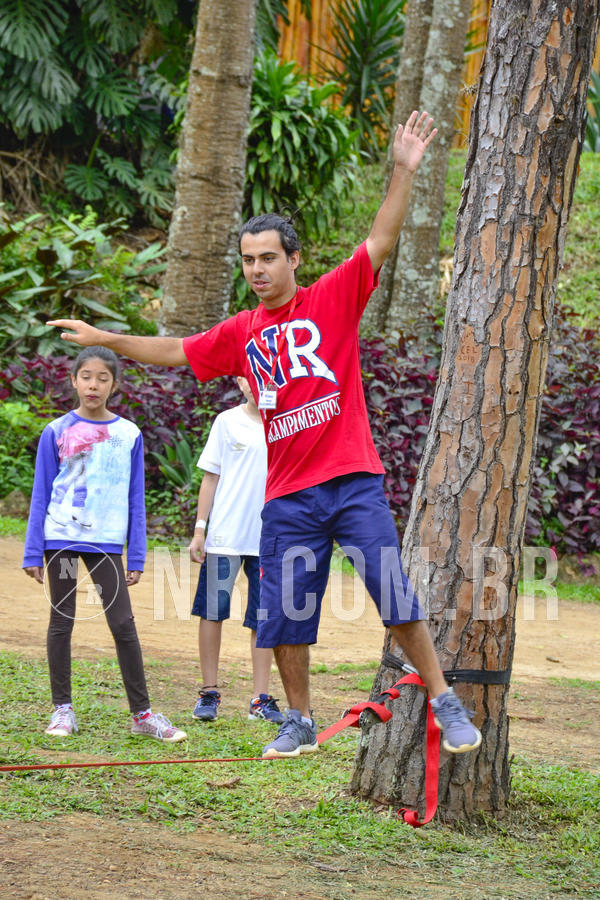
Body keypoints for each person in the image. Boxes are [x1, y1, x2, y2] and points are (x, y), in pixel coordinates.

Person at [48, 110, 482, 759]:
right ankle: (299, 720)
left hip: (352, 481)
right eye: (249, 260)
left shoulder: (332, 297)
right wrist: (105, 338)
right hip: (287, 497)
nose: (257, 269)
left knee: (394, 595)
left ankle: (445, 698)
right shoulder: (240, 332)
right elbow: (175, 350)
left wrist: (402, 170)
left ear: (293, 260)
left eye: (268, 258)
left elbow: (380, 238)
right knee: (284, 618)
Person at [22, 346, 187, 743]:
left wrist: (137, 553)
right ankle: (63, 710)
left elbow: (135, 498)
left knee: (122, 623)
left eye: (102, 378)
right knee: (62, 620)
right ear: (74, 380)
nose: (93, 385)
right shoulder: (56, 431)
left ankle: (142, 714)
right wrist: (32, 550)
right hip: (62, 540)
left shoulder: (128, 434)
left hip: (106, 544)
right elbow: (41, 492)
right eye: (86, 377)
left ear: (114, 385)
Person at [189, 375, 284, 725]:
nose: (260, 386)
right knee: (212, 611)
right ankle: (209, 692)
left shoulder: (285, 425)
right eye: (252, 378)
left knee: (263, 616)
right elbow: (210, 477)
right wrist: (200, 529)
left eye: (269, 379)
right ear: (241, 382)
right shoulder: (226, 422)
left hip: (269, 537)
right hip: (225, 536)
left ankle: (260, 698)